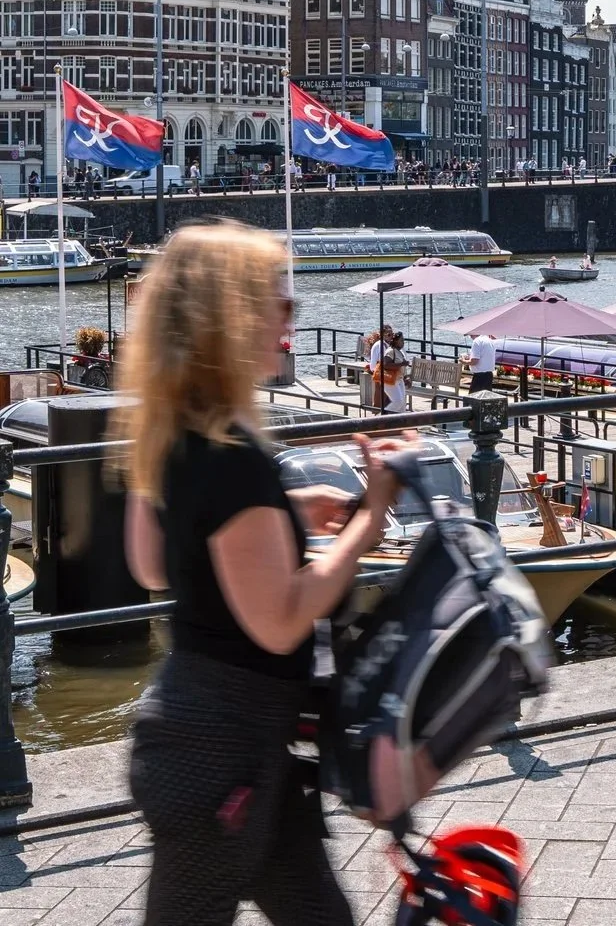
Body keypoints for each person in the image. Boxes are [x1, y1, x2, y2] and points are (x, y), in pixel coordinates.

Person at [119, 221, 402, 925]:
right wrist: (369, 521)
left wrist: (284, 510)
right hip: (226, 755)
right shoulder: (233, 455)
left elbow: (155, 562)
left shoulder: (177, 432)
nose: (290, 310)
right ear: (227, 314)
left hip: (228, 742)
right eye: (274, 295)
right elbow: (280, 619)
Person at [379, 330, 410, 413]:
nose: (403, 342)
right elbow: (385, 365)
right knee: (398, 401)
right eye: (401, 340)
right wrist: (402, 364)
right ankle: (383, 417)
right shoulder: (390, 351)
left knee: (402, 404)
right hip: (390, 380)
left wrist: (405, 378)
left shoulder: (399, 351)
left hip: (399, 379)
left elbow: (401, 368)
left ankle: (400, 423)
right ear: (396, 341)